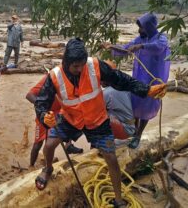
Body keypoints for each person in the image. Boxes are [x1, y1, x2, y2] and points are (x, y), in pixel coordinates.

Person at [34, 38, 166, 207]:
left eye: (81, 65)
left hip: (97, 120)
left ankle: (118, 200)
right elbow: (41, 102)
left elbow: (121, 79)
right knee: (50, 145)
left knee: (111, 157)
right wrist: (45, 116)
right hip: (70, 119)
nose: (80, 69)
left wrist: (146, 90)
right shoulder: (54, 76)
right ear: (66, 62)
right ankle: (48, 169)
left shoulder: (95, 65)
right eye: (75, 66)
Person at [103, 13, 171, 149]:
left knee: (147, 106)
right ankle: (134, 131)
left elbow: (158, 47)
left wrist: (141, 47)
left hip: (153, 81)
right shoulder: (140, 39)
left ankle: (138, 135)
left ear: (149, 27)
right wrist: (112, 47)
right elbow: (127, 49)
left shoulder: (161, 39)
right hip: (138, 77)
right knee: (136, 105)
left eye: (142, 28)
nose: (140, 31)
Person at [26, 75, 83, 167]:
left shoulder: (75, 80)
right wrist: (43, 108)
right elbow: (29, 95)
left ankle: (68, 146)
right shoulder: (49, 79)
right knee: (38, 144)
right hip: (44, 116)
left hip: (58, 115)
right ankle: (31, 166)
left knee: (53, 140)